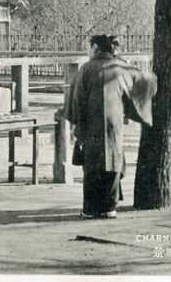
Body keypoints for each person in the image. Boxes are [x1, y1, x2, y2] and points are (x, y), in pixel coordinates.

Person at [66, 34, 156, 219]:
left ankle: (90, 209)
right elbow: (146, 80)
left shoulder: (85, 69)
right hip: (114, 124)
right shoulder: (121, 67)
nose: (88, 51)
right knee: (113, 161)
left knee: (91, 166)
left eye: (90, 47)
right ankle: (109, 208)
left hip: (91, 124)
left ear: (96, 48)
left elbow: (77, 100)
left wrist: (77, 124)